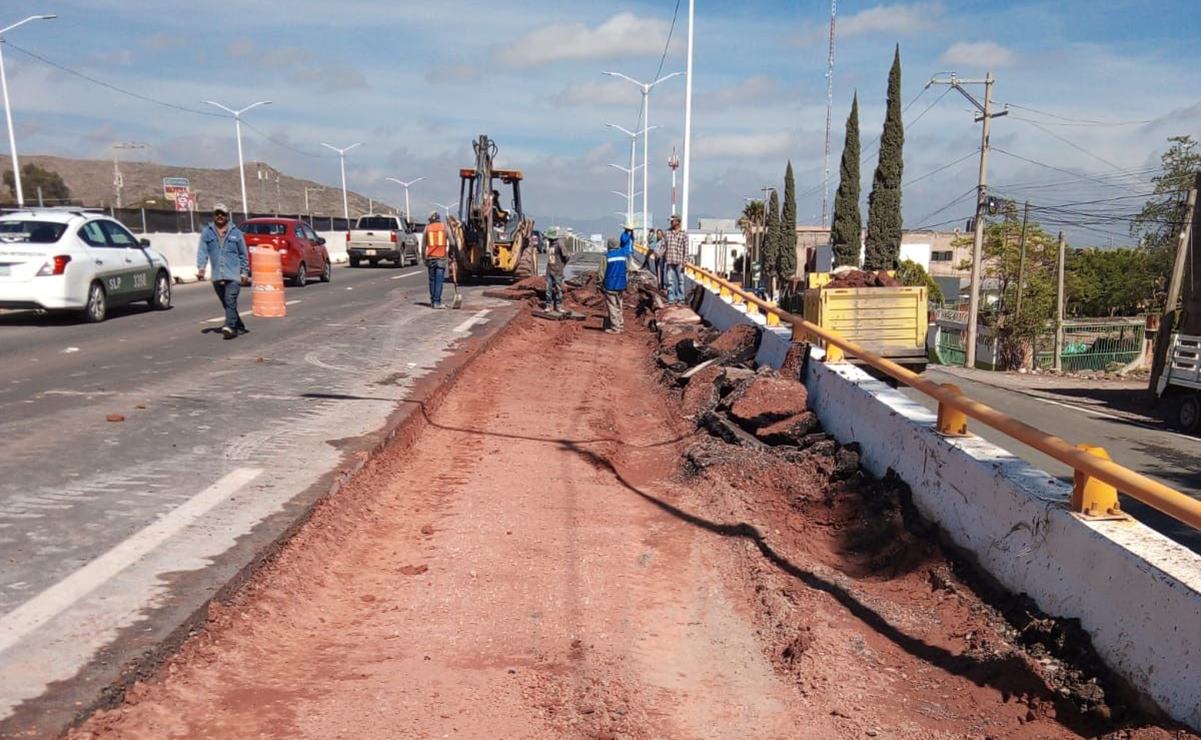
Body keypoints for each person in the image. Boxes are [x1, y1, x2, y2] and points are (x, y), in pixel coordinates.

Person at [195, 203, 249, 339]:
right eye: (217, 213)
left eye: (222, 214)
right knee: (227, 303)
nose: (220, 216)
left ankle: (229, 327)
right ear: (214, 215)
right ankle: (239, 326)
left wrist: (244, 272)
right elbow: (202, 251)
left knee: (230, 300)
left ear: (227, 216)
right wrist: (201, 268)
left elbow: (243, 254)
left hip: (233, 275)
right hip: (217, 275)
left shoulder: (236, 233)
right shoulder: (207, 232)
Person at [602, 230, 632, 334]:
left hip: (610, 285)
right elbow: (627, 269)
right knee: (619, 305)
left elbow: (601, 273)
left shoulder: (606, 256)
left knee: (612, 306)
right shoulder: (623, 255)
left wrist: (599, 284)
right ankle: (620, 325)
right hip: (621, 284)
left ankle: (615, 328)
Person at [423, 211, 449, 309]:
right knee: (439, 280)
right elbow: (452, 242)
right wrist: (452, 254)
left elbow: (423, 245)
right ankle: (437, 302)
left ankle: (433, 301)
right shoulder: (444, 227)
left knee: (432, 280)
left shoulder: (427, 228)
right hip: (441, 257)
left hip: (430, 257)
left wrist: (423, 257)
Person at [661, 214, 689, 305]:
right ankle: (671, 299)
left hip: (679, 261)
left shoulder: (683, 234)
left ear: (678, 222)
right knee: (670, 281)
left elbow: (686, 249)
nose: (671, 222)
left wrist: (685, 261)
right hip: (669, 260)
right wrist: (659, 254)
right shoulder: (667, 233)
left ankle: (681, 299)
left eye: (672, 221)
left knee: (680, 281)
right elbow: (663, 246)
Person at [543, 226, 569, 313]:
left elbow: (567, 256)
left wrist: (562, 266)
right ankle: (548, 305)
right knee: (548, 289)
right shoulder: (550, 244)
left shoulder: (559, 244)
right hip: (549, 270)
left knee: (558, 289)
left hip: (557, 271)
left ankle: (558, 305)